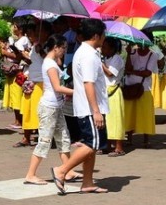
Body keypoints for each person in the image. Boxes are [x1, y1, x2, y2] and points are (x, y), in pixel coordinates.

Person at [52, 19, 110, 195]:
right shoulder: (88, 55)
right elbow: (88, 83)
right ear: (96, 35)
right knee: (91, 144)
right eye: (103, 35)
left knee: (91, 145)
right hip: (89, 108)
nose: (104, 38)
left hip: (87, 107)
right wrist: (96, 110)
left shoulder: (85, 52)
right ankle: (61, 170)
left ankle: (87, 182)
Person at [24, 34, 80, 185]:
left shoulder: (51, 62)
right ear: (56, 47)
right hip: (49, 107)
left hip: (56, 107)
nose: (64, 51)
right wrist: (78, 92)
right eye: (63, 48)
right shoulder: (49, 64)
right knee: (44, 141)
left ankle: (67, 170)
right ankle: (31, 174)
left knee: (63, 138)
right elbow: (57, 87)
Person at [11, 22, 48, 148]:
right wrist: (21, 55)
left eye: (38, 30)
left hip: (42, 81)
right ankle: (26, 137)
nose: (33, 34)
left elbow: (53, 61)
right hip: (31, 79)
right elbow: (31, 61)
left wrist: (42, 51)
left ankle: (42, 138)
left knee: (39, 112)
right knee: (26, 110)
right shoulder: (34, 46)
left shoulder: (50, 45)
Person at [124, 43, 158, 148]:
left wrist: (132, 71)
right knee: (129, 113)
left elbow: (147, 73)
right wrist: (128, 54)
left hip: (145, 88)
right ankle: (129, 138)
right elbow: (127, 68)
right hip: (130, 85)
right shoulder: (132, 53)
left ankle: (146, 139)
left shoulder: (153, 55)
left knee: (145, 114)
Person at [0, 19, 27, 130]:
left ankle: (19, 121)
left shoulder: (23, 40)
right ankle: (16, 120)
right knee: (13, 95)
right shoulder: (16, 40)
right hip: (11, 70)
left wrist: (6, 53)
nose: (13, 28)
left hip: (17, 70)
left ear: (20, 29)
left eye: (15, 27)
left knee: (17, 95)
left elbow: (18, 56)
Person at [102, 37, 126, 157]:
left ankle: (119, 147)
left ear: (112, 49)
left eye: (105, 47)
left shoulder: (117, 59)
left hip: (114, 91)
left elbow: (110, 73)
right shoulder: (106, 58)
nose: (102, 49)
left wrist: (101, 64)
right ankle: (107, 145)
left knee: (116, 120)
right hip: (105, 91)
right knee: (107, 121)